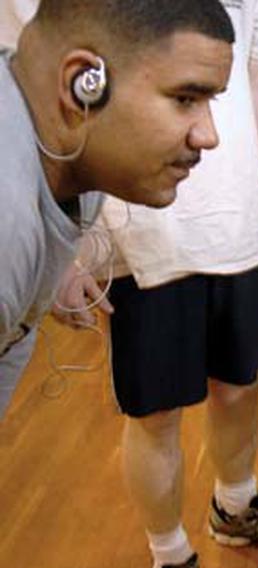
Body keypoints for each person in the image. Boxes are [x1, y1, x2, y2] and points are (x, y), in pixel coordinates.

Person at [53, 1, 258, 567]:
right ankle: (170, 554)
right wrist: (61, 247)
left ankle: (236, 507)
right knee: (155, 413)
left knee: (240, 382)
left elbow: (257, 77)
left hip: (239, 217)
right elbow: (46, 93)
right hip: (141, 225)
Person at [0, 0, 235, 417]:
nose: (208, 136)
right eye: (184, 98)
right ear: (82, 83)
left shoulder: (75, 171)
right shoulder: (7, 224)